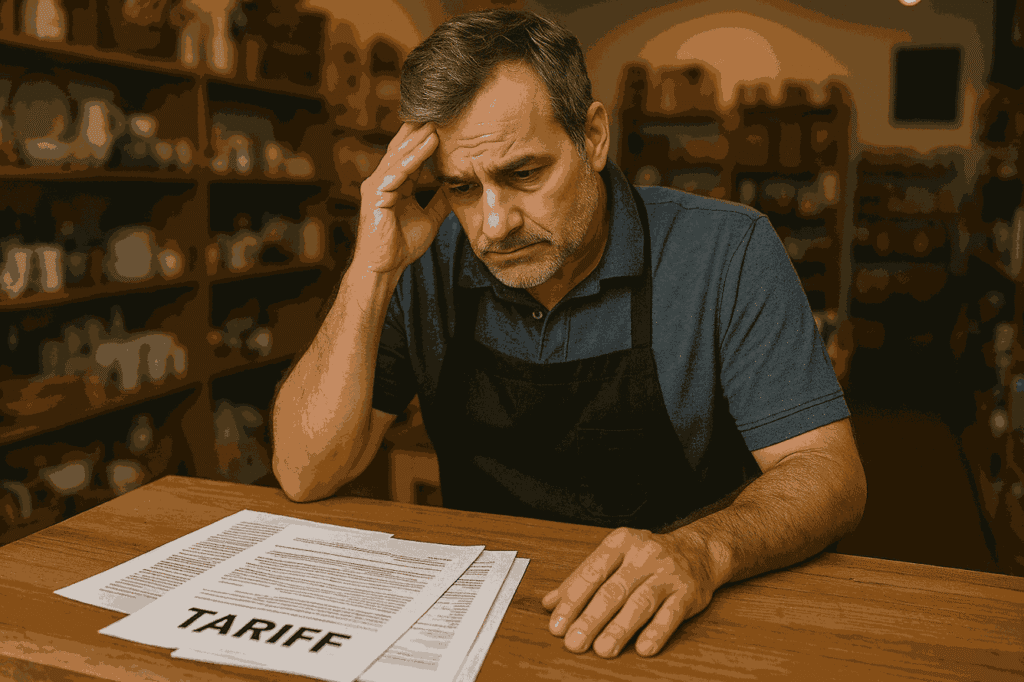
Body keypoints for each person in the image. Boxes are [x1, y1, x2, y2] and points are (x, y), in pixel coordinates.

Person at [272, 8, 866, 660]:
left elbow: (829, 474)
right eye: (462, 188)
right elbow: (304, 472)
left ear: (593, 137)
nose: (493, 224)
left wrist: (702, 552)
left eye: (524, 173)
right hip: (486, 626)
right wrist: (371, 269)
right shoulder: (424, 261)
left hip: (673, 623)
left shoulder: (726, 250)